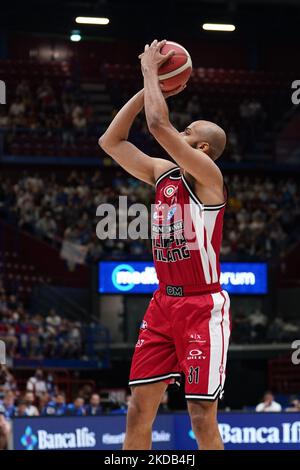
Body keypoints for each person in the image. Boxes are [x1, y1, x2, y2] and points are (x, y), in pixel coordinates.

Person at [99, 39, 230, 450]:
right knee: (138, 409)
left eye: (188, 132)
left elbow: (158, 126)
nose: (181, 131)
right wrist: (146, 90)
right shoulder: (162, 174)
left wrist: (150, 74)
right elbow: (112, 142)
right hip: (162, 304)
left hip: (201, 307)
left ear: (203, 148)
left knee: (200, 417)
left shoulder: (209, 178)